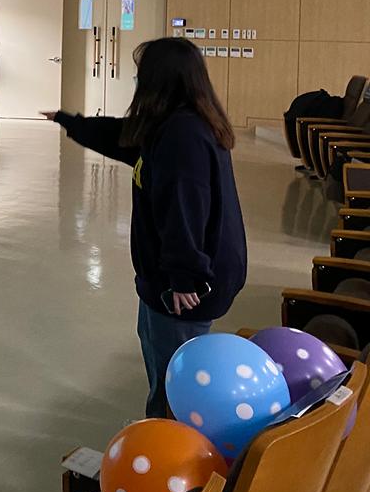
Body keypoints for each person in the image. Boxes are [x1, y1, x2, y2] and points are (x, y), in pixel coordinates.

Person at [44, 37, 247, 418]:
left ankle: (167, 441)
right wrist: (70, 122)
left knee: (175, 381)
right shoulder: (173, 125)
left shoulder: (183, 136)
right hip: (172, 277)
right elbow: (122, 137)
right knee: (160, 358)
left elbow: (184, 209)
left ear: (160, 80)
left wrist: (184, 276)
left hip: (186, 286)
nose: (136, 81)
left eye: (141, 75)